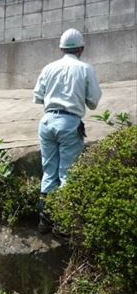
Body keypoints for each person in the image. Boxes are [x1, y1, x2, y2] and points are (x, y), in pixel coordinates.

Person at [33, 28, 102, 234]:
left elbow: (38, 96)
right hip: (70, 122)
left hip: (46, 122)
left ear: (61, 48)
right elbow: (93, 102)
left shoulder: (49, 68)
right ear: (81, 49)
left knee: (49, 171)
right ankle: (63, 224)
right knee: (67, 174)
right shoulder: (85, 69)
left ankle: (44, 220)